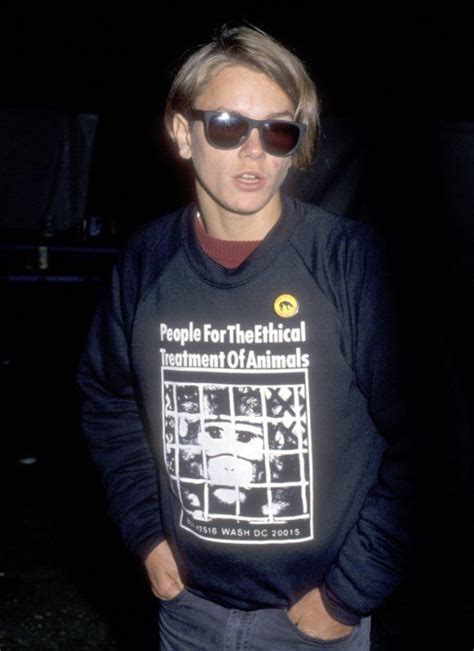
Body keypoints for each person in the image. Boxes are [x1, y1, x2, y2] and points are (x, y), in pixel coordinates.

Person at [77, 23, 414, 650]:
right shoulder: (147, 261)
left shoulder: (350, 261)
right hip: (188, 611)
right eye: (228, 125)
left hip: (313, 624)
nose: (254, 150)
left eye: (278, 130)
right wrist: (147, 534)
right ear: (183, 132)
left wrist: (348, 595)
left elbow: (433, 442)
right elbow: (108, 401)